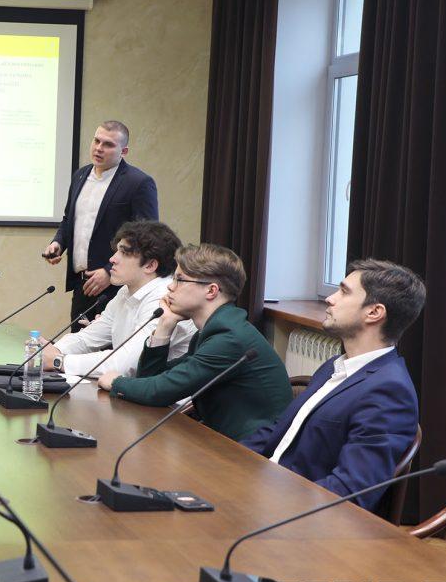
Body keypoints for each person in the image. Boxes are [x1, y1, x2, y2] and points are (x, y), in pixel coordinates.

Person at [242, 260, 425, 510]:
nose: (330, 299)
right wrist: (229, 463)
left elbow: (349, 492)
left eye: (344, 292)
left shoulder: (389, 391)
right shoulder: (334, 366)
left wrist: (266, 498)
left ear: (374, 312)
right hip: (260, 489)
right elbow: (278, 431)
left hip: (293, 514)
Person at [108, 243, 292, 441]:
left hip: (254, 451)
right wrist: (164, 326)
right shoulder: (212, 331)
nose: (170, 286)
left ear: (211, 291)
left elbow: (160, 391)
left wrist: (116, 382)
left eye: (179, 279)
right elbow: (152, 379)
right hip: (224, 441)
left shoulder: (229, 338)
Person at [40, 220, 196, 382]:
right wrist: (49, 352)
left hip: (166, 395)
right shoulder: (125, 292)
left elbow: (125, 364)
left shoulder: (164, 299)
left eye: (124, 253)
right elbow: (87, 338)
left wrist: (59, 361)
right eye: (116, 251)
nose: (112, 259)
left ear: (150, 265)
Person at [43, 120, 159, 330]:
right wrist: (58, 243)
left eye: (108, 144)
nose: (99, 148)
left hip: (117, 286)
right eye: (96, 141)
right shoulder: (80, 175)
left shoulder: (138, 183)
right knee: (78, 342)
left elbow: (147, 236)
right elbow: (69, 219)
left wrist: (109, 271)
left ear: (124, 151)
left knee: (110, 347)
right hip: (83, 284)